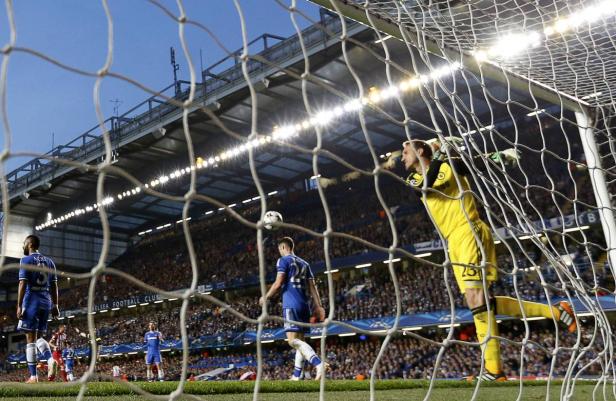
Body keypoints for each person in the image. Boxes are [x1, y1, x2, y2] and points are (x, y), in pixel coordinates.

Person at [400, 139, 576, 382]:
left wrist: (500, 156)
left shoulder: (453, 165)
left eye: (405, 151)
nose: (401, 157)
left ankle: (494, 371)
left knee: (476, 298)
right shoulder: (414, 179)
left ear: (420, 151)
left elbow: (476, 164)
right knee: (484, 303)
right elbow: (428, 183)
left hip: (468, 230)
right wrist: (441, 153)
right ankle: (557, 312)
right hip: (453, 241)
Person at [259, 236, 328, 381]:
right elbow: (313, 287)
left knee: (292, 341)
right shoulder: (305, 263)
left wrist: (266, 297)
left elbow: (279, 282)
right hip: (305, 306)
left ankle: (318, 363)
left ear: (283, 247)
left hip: (291, 304)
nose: (279, 252)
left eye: (279, 249)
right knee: (300, 340)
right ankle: (297, 376)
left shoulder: (283, 260)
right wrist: (319, 306)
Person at [17, 235, 60, 383]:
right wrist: (55, 305)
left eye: (24, 243)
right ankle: (50, 360)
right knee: (39, 337)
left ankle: (33, 376)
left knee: (30, 339)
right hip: (46, 301)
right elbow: (54, 285)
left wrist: (19, 305)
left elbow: (22, 284)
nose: (23, 245)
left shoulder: (25, 260)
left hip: (32, 301)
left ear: (29, 244)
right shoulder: (50, 262)